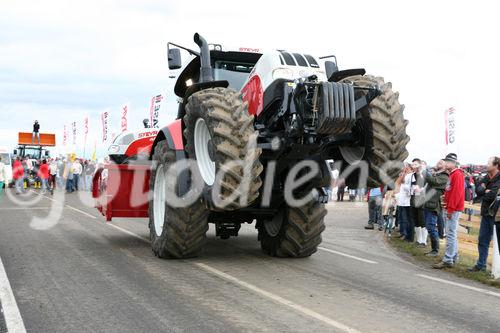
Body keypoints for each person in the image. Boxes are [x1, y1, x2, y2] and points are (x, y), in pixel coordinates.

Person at [468, 156, 500, 272]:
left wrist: (485, 192)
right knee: (483, 239)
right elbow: (478, 189)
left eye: (489, 163)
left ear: (496, 165)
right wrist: (484, 191)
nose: (486, 165)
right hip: (487, 213)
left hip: (497, 215)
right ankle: (481, 265)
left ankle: (496, 271)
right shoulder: (486, 177)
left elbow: (492, 195)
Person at [433, 153, 465, 269]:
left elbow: (457, 194)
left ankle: (448, 259)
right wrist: (445, 197)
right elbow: (451, 190)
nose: (445, 163)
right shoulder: (453, 174)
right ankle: (453, 257)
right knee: (452, 233)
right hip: (452, 207)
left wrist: (450, 209)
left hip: (454, 208)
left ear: (452, 163)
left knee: (450, 234)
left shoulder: (457, 174)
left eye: (447, 161)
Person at [423, 160, 449, 257]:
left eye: (441, 162)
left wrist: (425, 171)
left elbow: (434, 182)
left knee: (431, 227)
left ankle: (435, 250)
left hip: (434, 205)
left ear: (445, 166)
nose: (438, 163)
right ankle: (433, 249)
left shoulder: (444, 176)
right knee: (429, 227)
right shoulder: (436, 174)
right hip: (428, 203)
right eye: (438, 162)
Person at [409, 158, 427, 245]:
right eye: (413, 164)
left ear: (420, 165)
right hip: (413, 199)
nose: (414, 166)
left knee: (422, 220)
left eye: (415, 164)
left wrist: (421, 189)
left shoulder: (424, 173)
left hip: (422, 199)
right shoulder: (413, 175)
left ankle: (424, 241)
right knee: (416, 220)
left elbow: (427, 186)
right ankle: (418, 239)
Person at [395, 164, 412, 239]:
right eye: (405, 168)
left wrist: (403, 182)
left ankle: (405, 233)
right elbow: (398, 184)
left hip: (407, 202)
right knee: (401, 218)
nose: (405, 170)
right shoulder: (404, 175)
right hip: (401, 201)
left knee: (405, 219)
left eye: (407, 169)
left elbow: (409, 188)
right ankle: (402, 232)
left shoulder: (411, 176)